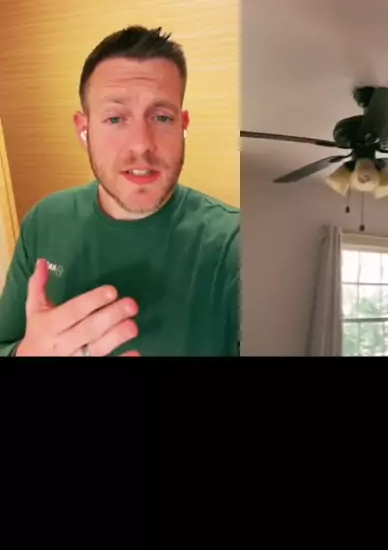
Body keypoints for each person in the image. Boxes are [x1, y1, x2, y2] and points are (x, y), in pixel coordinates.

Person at [0, 26, 239, 356]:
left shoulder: (235, 244)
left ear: (183, 126)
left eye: (161, 117)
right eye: (115, 119)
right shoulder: (44, 221)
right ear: (84, 130)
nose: (141, 144)